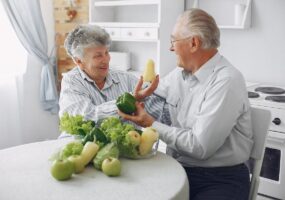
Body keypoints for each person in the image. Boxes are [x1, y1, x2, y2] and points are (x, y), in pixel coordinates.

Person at [119, 8, 253, 200]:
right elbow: (152, 98)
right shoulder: (179, 75)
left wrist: (150, 123)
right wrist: (141, 97)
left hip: (220, 179)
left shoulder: (226, 81)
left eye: (173, 40)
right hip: (178, 169)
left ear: (193, 43)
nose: (170, 48)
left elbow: (200, 147)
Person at [59, 25, 159, 130]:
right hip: (81, 145)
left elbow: (155, 107)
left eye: (106, 52)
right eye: (98, 56)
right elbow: (86, 118)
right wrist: (130, 99)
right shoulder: (71, 82)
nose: (106, 60)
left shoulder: (125, 78)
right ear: (79, 61)